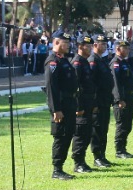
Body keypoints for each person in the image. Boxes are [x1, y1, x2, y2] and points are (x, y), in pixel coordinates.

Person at [45, 31, 77, 180]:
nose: (68, 45)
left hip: (70, 103)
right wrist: (55, 109)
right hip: (61, 105)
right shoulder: (53, 62)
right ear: (57, 43)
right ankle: (57, 169)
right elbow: (51, 87)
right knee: (60, 136)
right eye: (66, 43)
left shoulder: (63, 60)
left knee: (68, 134)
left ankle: (61, 167)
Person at [70, 36, 96, 175]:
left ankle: (82, 161)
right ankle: (78, 162)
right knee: (80, 134)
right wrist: (78, 108)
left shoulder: (84, 62)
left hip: (88, 103)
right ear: (80, 46)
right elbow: (75, 88)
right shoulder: (77, 63)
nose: (91, 48)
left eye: (91, 46)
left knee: (86, 134)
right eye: (88, 46)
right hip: (81, 106)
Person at [89, 37, 115, 169]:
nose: (104, 46)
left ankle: (102, 155)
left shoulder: (101, 60)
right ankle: (97, 156)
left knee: (104, 129)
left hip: (105, 100)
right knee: (97, 130)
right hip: (97, 102)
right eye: (102, 44)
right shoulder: (93, 60)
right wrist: (93, 103)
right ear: (95, 45)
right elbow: (91, 84)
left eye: (105, 44)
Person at [112, 41, 133, 159]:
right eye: (125, 48)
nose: (127, 50)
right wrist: (119, 100)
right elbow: (115, 83)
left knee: (128, 125)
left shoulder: (123, 62)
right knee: (122, 125)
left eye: (128, 48)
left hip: (129, 97)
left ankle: (123, 148)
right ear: (118, 49)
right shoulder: (115, 63)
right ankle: (119, 151)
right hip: (122, 100)